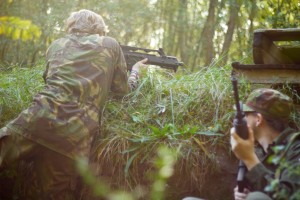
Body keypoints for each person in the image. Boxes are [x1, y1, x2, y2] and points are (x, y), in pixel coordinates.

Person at [0, 9, 146, 199]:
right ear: (100, 29)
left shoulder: (56, 45)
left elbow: (49, 78)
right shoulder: (110, 44)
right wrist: (135, 71)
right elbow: (122, 90)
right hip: (73, 137)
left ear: (71, 26)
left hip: (36, 119)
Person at [230, 88, 300, 200]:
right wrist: (244, 193)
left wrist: (250, 160)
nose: (243, 119)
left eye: (246, 114)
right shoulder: (260, 152)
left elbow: (288, 196)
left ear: (258, 119)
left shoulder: (296, 149)